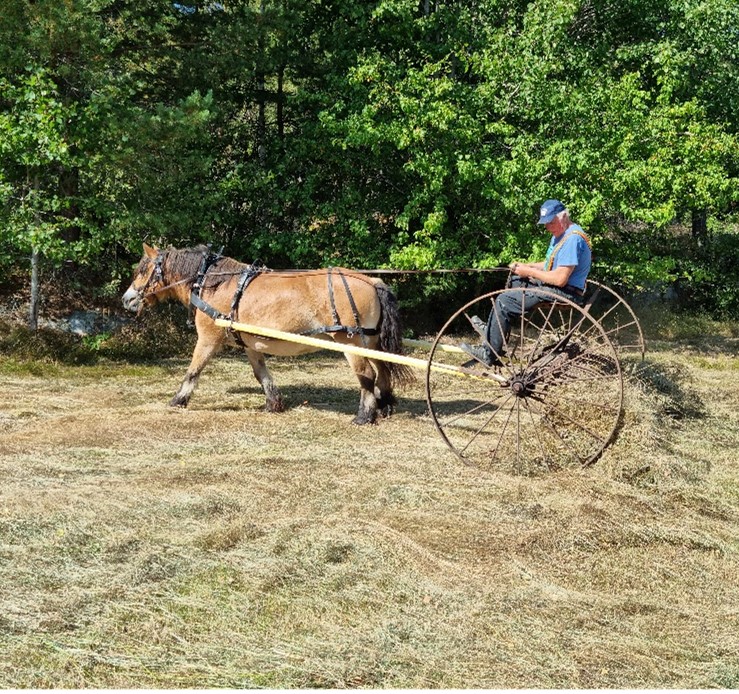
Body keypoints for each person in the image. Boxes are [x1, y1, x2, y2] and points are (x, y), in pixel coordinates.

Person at [461, 199, 592, 368]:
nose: (547, 227)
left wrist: (529, 272)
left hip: (566, 292)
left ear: (564, 217)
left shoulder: (572, 240)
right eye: (545, 224)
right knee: (516, 280)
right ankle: (494, 332)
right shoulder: (561, 235)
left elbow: (560, 279)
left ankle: (489, 353)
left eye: (551, 222)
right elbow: (548, 266)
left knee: (504, 300)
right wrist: (526, 266)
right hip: (560, 287)